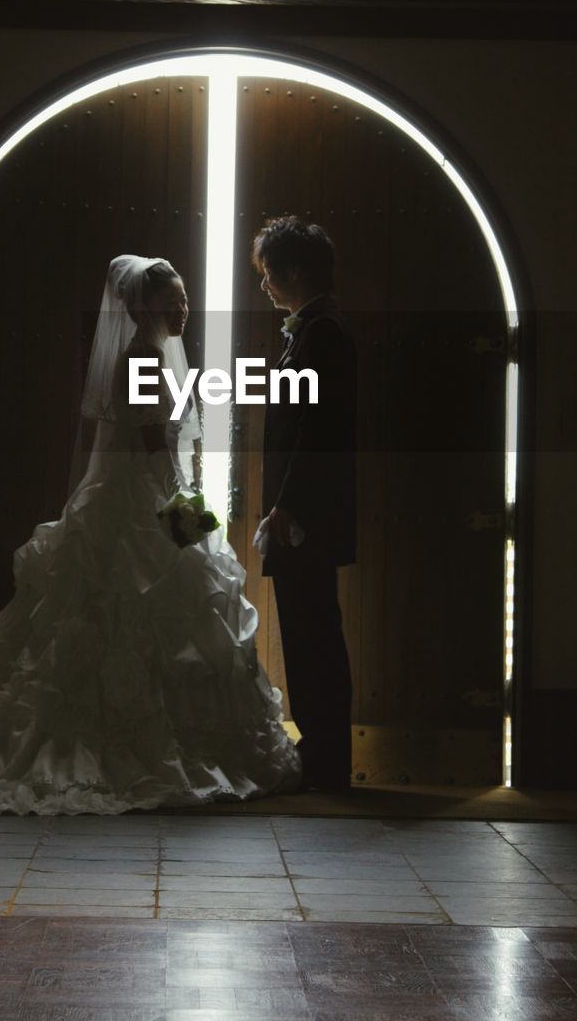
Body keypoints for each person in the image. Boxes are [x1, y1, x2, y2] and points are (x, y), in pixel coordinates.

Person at [0, 255, 300, 815]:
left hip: (151, 504)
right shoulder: (141, 358)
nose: (182, 309)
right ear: (140, 307)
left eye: (184, 298)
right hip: (140, 510)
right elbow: (155, 456)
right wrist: (191, 523)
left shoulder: (160, 355)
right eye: (171, 301)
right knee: (122, 620)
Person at [252, 216, 357, 793]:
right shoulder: (311, 330)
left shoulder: (324, 334)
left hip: (306, 519)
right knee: (309, 631)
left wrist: (287, 506)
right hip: (303, 515)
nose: (265, 285)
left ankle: (327, 761)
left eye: (269, 274)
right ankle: (321, 752)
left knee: (313, 633)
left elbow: (317, 432)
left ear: (294, 272)